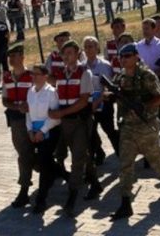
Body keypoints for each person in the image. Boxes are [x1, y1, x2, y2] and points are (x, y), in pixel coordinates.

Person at [110, 43, 160, 220]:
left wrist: (143, 106)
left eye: (127, 56)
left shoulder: (146, 75)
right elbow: (114, 94)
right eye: (121, 57)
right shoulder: (120, 77)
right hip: (128, 128)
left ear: (136, 57)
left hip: (146, 126)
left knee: (156, 161)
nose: (123, 60)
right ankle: (125, 203)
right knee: (125, 165)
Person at [47, 40, 100, 216]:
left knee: (77, 158)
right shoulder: (61, 75)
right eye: (64, 53)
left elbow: (84, 101)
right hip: (65, 122)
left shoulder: (84, 73)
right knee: (82, 154)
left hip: (80, 120)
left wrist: (62, 113)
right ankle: (95, 182)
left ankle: (72, 195)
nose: (67, 56)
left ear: (77, 54)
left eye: (70, 52)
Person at [25, 63, 62, 214]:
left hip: (50, 131)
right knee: (41, 162)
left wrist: (42, 130)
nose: (33, 77)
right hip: (34, 132)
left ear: (45, 76)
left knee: (44, 162)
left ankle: (41, 200)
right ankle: (64, 174)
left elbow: (55, 117)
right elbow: (28, 113)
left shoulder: (51, 92)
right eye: (32, 74)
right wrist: (29, 130)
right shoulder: (30, 91)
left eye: (37, 74)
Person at [1, 43, 34, 208]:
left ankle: (26, 188)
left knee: (34, 154)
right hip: (17, 121)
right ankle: (24, 188)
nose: (11, 60)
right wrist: (17, 107)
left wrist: (29, 106)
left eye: (14, 56)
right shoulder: (6, 77)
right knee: (23, 153)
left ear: (22, 57)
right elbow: (5, 100)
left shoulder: (32, 75)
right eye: (10, 57)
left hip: (34, 119)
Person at [136, 18, 160, 144]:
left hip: (158, 79)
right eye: (143, 28)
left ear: (154, 29)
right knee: (152, 107)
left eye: (147, 28)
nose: (145, 31)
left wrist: (152, 76)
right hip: (143, 81)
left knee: (156, 105)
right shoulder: (138, 46)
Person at [82, 36, 118, 165]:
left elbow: (110, 86)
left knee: (109, 130)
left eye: (91, 46)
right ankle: (99, 153)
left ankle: (121, 154)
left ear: (97, 48)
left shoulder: (105, 65)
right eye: (85, 47)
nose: (88, 49)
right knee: (91, 133)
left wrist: (101, 98)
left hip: (104, 104)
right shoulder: (82, 67)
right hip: (88, 105)